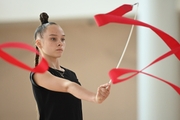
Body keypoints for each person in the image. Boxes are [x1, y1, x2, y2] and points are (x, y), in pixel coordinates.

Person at [29, 12, 111, 120]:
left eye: (62, 39)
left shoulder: (70, 74)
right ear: (39, 43)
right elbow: (67, 86)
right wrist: (95, 98)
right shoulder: (39, 73)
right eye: (53, 39)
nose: (60, 43)